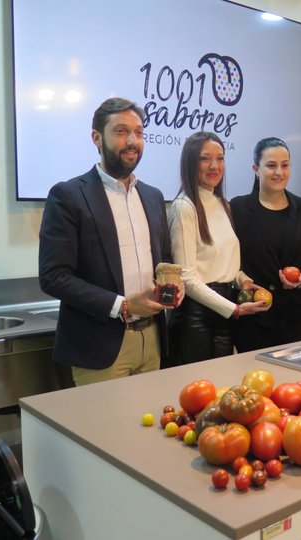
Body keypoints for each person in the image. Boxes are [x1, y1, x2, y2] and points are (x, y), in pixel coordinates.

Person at [39, 97, 182, 386]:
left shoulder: (153, 196)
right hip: (100, 345)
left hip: (153, 340)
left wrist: (172, 287)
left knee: (148, 428)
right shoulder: (69, 195)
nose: (133, 141)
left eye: (139, 133)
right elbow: (53, 276)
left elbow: (164, 261)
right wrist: (123, 306)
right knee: (104, 430)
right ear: (97, 138)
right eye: (120, 131)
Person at [167, 131, 268, 366]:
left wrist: (242, 279)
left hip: (224, 310)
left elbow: (222, 259)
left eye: (220, 158)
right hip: (195, 317)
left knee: (218, 390)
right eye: (205, 159)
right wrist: (234, 309)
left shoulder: (222, 203)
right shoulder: (184, 207)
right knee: (196, 393)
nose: (214, 166)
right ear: (190, 162)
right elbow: (187, 278)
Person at [230, 137, 301, 352]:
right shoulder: (238, 208)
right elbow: (229, 260)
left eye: (285, 165)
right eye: (271, 165)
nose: (279, 172)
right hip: (255, 317)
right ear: (256, 169)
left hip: (300, 317)